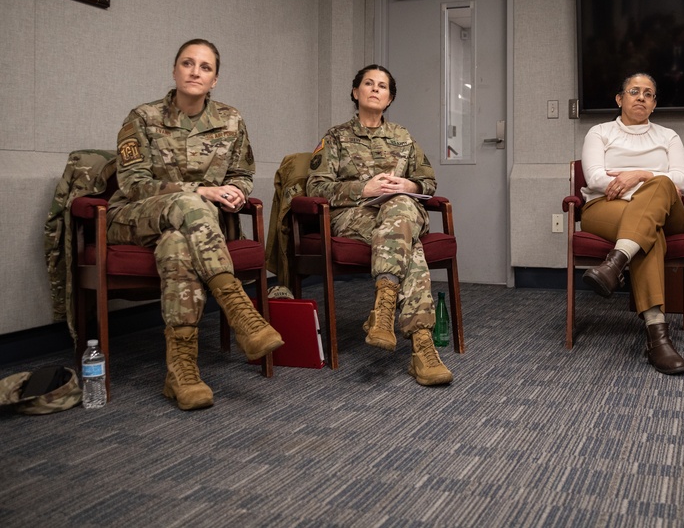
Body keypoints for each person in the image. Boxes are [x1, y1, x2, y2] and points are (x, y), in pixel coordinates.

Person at [107, 39, 283, 410]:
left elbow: (242, 173)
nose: (194, 71)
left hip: (192, 231)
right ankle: (238, 309)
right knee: (190, 202)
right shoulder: (142, 117)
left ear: (215, 79)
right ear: (174, 70)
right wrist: (200, 190)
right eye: (187, 63)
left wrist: (235, 191)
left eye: (204, 67)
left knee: (176, 244)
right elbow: (133, 185)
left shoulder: (231, 120)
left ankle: (181, 371)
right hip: (135, 217)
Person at [306, 65, 453, 387]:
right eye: (368, 84)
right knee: (409, 245)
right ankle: (422, 346)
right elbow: (316, 187)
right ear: (355, 92)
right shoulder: (336, 137)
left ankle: (385, 308)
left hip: (400, 214)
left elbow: (428, 181)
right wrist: (364, 189)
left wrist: (409, 186)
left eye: (382, 86)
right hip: (355, 215)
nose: (374, 89)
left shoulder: (403, 137)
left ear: (390, 98)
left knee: (400, 207)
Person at [579, 73, 684, 375]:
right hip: (606, 207)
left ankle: (615, 264)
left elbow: (681, 181)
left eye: (649, 94)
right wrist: (642, 192)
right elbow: (596, 179)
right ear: (620, 99)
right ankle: (658, 337)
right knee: (648, 232)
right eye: (634, 91)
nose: (641, 97)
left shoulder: (669, 136)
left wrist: (640, 175)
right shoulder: (599, 132)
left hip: (667, 212)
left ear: (654, 104)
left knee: (662, 184)